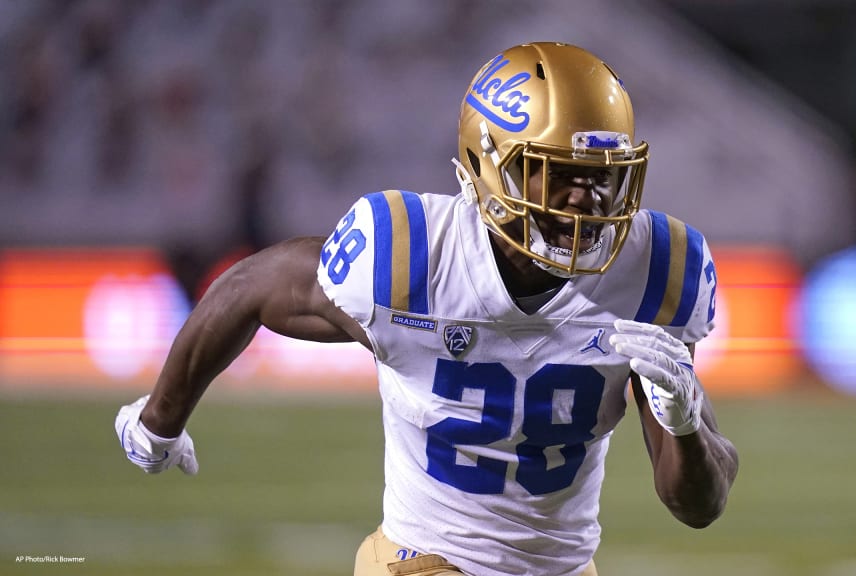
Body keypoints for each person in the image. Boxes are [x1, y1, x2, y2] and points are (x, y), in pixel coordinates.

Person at [115, 41, 739, 576]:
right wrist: (159, 419)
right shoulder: (411, 257)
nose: (589, 200)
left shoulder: (655, 270)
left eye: (603, 175)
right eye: (559, 173)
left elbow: (699, 505)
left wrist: (684, 424)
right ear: (485, 166)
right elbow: (249, 286)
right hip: (423, 559)